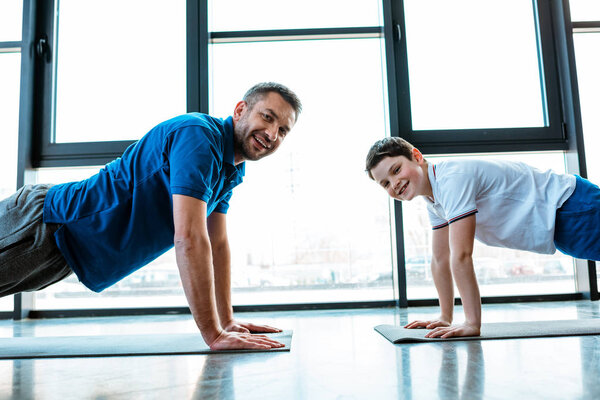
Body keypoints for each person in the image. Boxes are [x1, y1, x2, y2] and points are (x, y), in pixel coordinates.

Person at [0, 82, 301, 351]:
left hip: (67, 252)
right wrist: (213, 334)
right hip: (46, 224)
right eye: (268, 117)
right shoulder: (198, 137)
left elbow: (217, 244)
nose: (272, 134)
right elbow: (189, 238)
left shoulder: (229, 169)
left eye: (283, 131)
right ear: (240, 110)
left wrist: (228, 321)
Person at [365, 136, 600, 339]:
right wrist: (445, 317)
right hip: (560, 223)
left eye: (396, 170)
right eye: (385, 183)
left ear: (416, 156)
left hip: (570, 206)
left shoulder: (451, 179)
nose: (394, 184)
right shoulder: (435, 200)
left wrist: (471, 323)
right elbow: (440, 259)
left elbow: (461, 255)